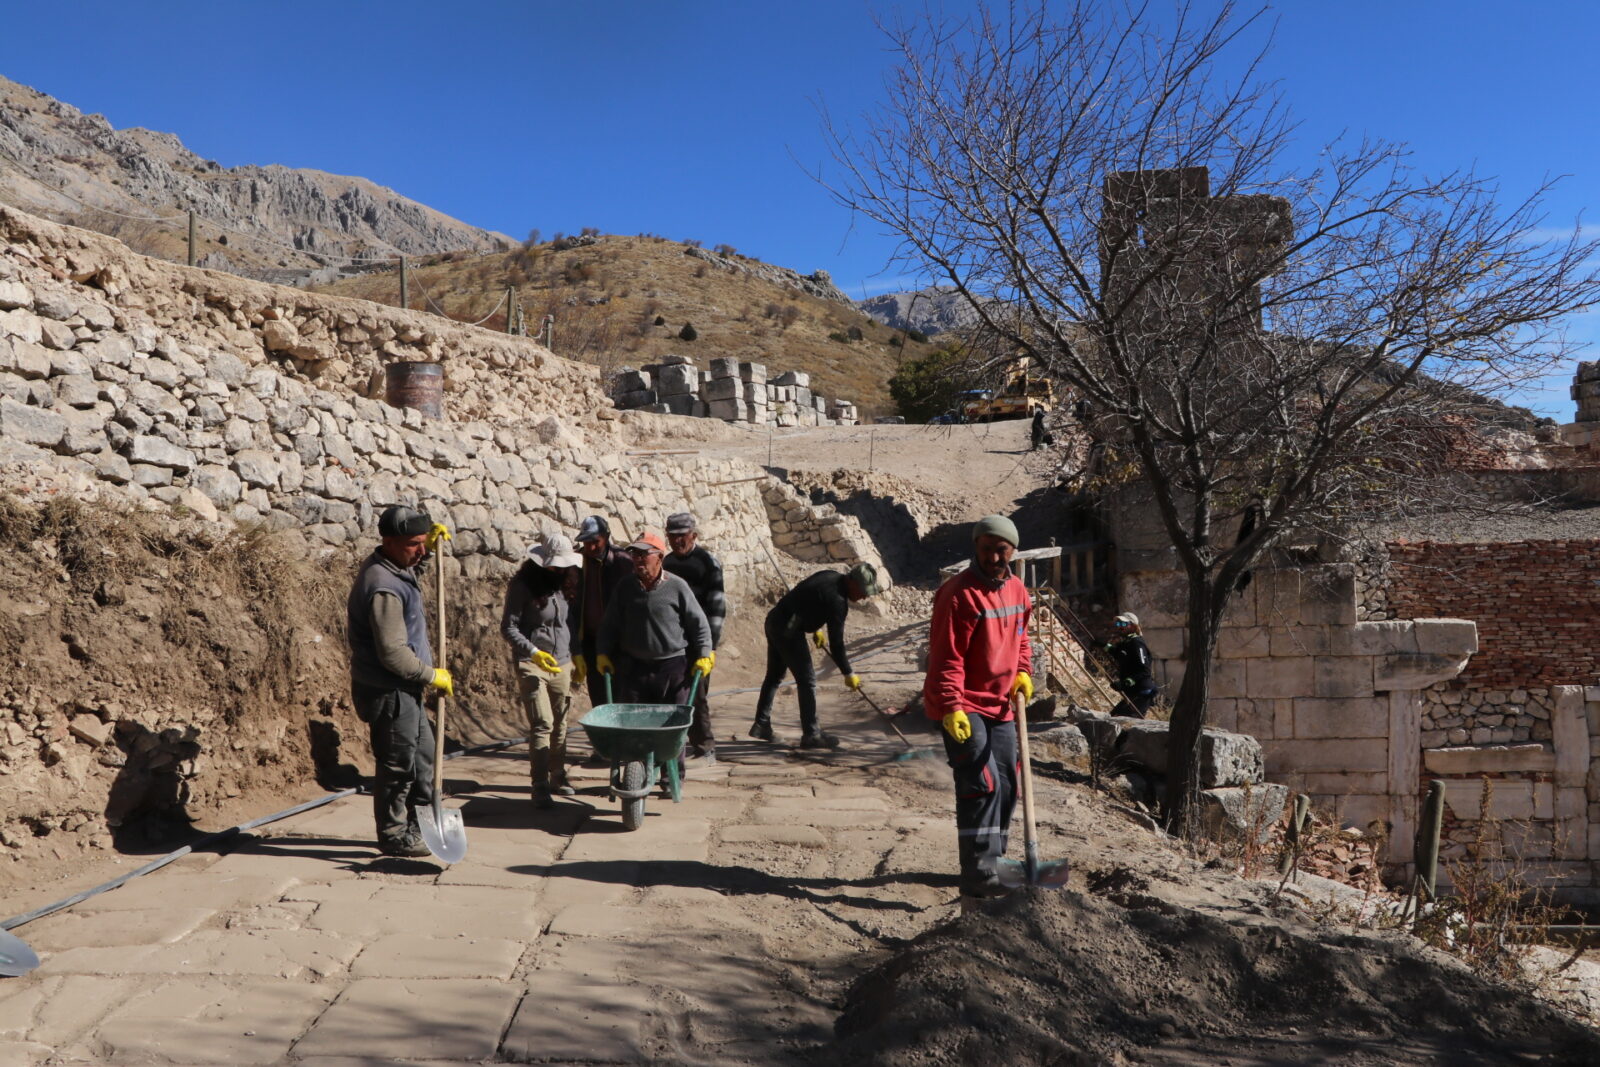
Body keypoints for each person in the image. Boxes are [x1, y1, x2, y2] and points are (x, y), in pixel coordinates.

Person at [924, 514, 1034, 899]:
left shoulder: (1018, 591)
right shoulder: (958, 594)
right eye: (985, 549)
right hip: (963, 703)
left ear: (1012, 551)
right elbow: (946, 657)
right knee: (980, 784)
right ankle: (978, 872)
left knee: (1007, 784)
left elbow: (1022, 638)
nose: (992, 557)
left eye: (1000, 550)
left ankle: (996, 862)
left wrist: (1023, 671)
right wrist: (952, 706)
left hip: (1001, 703)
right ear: (976, 548)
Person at [346, 505, 454, 857]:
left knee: (424, 758)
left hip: (406, 690)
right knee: (398, 766)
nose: (420, 551)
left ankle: (420, 825)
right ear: (388, 542)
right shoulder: (382, 588)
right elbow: (392, 653)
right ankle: (394, 835)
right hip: (388, 691)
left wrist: (429, 551)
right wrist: (430, 675)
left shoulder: (397, 567)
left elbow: (413, 564)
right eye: (414, 544)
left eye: (423, 543)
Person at [748, 562, 882, 750]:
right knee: (807, 681)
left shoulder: (829, 575)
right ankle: (811, 735)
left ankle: (761, 724)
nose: (865, 596)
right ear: (852, 582)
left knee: (774, 676)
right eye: (863, 590)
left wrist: (814, 627)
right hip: (788, 631)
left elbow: (807, 598)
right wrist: (848, 673)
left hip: (774, 620)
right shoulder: (838, 602)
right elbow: (836, 645)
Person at [503, 532, 583, 808]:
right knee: (542, 723)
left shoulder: (566, 582)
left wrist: (578, 656)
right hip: (532, 663)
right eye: (556, 565)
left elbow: (568, 623)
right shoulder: (522, 586)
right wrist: (534, 653)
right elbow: (509, 627)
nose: (561, 569)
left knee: (561, 722)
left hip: (562, 662)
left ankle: (558, 774)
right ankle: (539, 784)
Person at [596, 530, 715, 707]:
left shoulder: (677, 586)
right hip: (635, 669)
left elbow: (699, 624)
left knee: (670, 723)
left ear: (659, 557)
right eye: (634, 554)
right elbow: (609, 624)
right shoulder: (625, 587)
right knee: (635, 725)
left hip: (672, 668)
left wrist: (705, 654)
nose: (637, 559)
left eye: (643, 554)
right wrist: (602, 653)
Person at [662, 512, 727, 763]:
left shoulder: (707, 563)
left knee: (697, 693)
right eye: (673, 536)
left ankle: (704, 745)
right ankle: (673, 746)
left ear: (694, 536)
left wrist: (709, 647)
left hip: (699, 640)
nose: (678, 541)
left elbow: (717, 607)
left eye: (683, 536)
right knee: (671, 694)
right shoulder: (665, 564)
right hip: (670, 641)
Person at [571, 515, 634, 705]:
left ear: (606, 537)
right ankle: (604, 734)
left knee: (622, 693)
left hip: (620, 641)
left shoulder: (623, 562)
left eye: (595, 542)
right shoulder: (575, 562)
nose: (590, 548)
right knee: (599, 696)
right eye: (586, 542)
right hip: (590, 641)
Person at [1104, 612, 1158, 717]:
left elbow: (1145, 670)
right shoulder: (1126, 643)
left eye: (1124, 624)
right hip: (1132, 692)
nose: (1120, 627)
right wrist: (1103, 646)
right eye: (1119, 624)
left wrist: (1125, 683)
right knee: (1115, 717)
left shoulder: (1137, 643)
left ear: (1133, 626)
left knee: (1121, 721)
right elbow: (1119, 653)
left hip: (1142, 691)